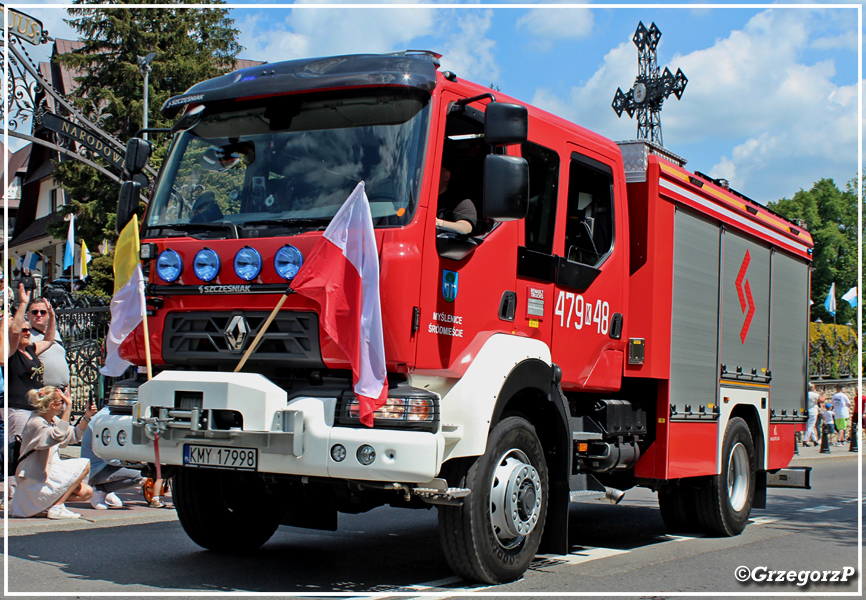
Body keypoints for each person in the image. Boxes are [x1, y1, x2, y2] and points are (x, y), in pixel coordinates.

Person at [10, 386, 96, 519]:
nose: (63, 405)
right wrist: (68, 408)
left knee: (87, 492)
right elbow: (58, 435)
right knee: (85, 465)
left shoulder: (52, 421)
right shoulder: (36, 423)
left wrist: (86, 417)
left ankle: (49, 504)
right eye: (61, 403)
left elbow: (72, 436)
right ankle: (57, 507)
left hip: (47, 475)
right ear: (52, 405)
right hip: (35, 479)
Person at [7, 284, 56, 442]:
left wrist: (52, 318)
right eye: (24, 330)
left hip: (35, 408)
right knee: (18, 449)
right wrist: (23, 304)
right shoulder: (11, 353)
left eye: (28, 329)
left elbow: (49, 340)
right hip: (18, 408)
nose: (27, 332)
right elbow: (14, 331)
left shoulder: (30, 349)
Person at [80, 424, 144, 509]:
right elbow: (109, 459)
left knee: (142, 472)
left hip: (101, 466)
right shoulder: (104, 422)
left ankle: (104, 489)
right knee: (141, 476)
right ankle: (101, 489)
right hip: (96, 469)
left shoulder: (106, 418)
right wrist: (135, 462)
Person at [26, 295, 70, 391]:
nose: (39, 314)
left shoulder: (56, 334)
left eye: (43, 312)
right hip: (42, 392)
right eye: (35, 312)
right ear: (28, 315)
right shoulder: (26, 336)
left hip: (62, 392)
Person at [436, 158, 477, 235]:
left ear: (447, 176)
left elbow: (466, 228)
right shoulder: (417, 201)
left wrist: (439, 223)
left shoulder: (460, 201)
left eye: (433, 169)